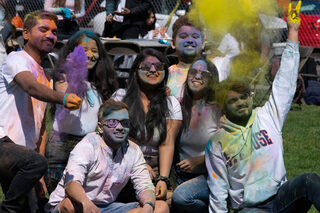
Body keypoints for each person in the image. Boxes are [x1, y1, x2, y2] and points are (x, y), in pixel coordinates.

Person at [205, 3, 320, 212]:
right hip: (251, 209)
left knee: (309, 181)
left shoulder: (267, 115)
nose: (241, 103)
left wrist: (293, 31)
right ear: (223, 106)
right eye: (233, 101)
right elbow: (218, 191)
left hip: (282, 198)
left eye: (244, 97)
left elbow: (285, 79)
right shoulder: (217, 143)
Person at [0, 10, 81, 212]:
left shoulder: (46, 76)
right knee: (14, 206)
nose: (51, 35)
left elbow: (42, 128)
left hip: (24, 156)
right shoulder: (16, 59)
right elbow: (30, 87)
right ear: (26, 34)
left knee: (34, 208)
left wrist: (40, 173)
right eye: (43, 29)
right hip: (3, 142)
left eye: (54, 32)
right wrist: (62, 98)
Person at [46, 99, 169, 213]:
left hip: (107, 208)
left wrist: (148, 205)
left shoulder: (133, 150)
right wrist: (86, 203)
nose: (120, 127)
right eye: (112, 123)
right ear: (100, 127)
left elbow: (144, 185)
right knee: (70, 206)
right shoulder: (88, 146)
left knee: (160, 207)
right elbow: (71, 184)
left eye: (124, 123)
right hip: (79, 204)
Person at [45, 30, 118, 193]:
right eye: (84, 50)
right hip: (62, 145)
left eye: (94, 51)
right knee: (58, 194)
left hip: (89, 145)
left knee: (83, 196)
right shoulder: (62, 76)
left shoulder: (102, 83)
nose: (90, 55)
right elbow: (70, 98)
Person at [112, 48, 182, 201]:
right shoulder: (120, 97)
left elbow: (167, 143)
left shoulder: (171, 103)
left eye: (158, 66)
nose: (152, 70)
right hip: (123, 162)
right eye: (145, 66)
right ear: (135, 72)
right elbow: (114, 137)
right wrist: (140, 164)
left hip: (158, 167)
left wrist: (163, 179)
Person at [172, 58, 221, 213]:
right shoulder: (179, 106)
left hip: (208, 175)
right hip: (180, 175)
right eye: (193, 72)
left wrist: (200, 160)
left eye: (203, 74)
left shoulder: (219, 110)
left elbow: (229, 149)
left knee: (180, 198)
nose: (197, 77)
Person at [167, 16, 204, 102]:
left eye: (195, 36)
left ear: (203, 43)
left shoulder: (210, 73)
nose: (190, 40)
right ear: (173, 43)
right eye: (183, 36)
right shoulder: (166, 75)